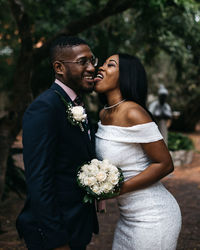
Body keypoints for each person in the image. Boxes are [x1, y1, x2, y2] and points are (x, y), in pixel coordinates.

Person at [16, 36, 99, 250]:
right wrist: (57, 240)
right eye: (83, 62)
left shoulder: (75, 105)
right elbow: (39, 180)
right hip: (56, 232)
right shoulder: (45, 107)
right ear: (59, 67)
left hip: (77, 225)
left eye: (93, 61)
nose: (92, 68)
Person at [94, 54, 181, 250]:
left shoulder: (133, 112)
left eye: (110, 65)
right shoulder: (104, 113)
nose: (101, 67)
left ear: (125, 75)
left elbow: (165, 164)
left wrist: (115, 190)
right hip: (127, 218)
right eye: (103, 63)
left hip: (153, 217)